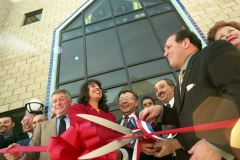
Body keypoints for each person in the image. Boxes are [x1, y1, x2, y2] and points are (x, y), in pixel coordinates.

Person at [140, 29, 240, 159]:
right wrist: (161, 111)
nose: (165, 53)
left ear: (186, 43)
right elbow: (185, 118)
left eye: (169, 47)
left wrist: (214, 144)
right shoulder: (180, 83)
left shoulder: (213, 51)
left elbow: (236, 90)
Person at [4, 89, 72, 160]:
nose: (58, 103)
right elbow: (33, 151)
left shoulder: (81, 121)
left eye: (61, 99)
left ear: (70, 101)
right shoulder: (41, 126)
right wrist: (22, 153)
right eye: (54, 101)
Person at [68, 79, 125, 160]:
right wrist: (123, 140)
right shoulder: (76, 109)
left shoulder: (110, 115)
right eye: (93, 86)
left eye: (99, 87)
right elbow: (87, 133)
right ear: (86, 91)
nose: (98, 88)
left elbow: (120, 135)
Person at [118, 90, 171, 160]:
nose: (124, 101)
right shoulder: (114, 124)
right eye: (121, 99)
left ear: (136, 103)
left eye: (127, 98)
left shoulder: (146, 121)